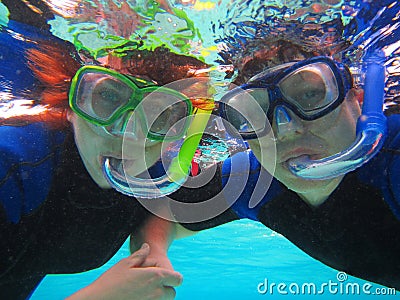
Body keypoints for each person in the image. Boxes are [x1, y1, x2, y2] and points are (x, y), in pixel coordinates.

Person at [144, 37, 400, 291]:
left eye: (310, 94)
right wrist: (153, 256)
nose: (284, 128)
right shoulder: (256, 182)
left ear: (358, 98)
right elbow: (166, 214)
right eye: (254, 112)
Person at [0, 2, 210, 298]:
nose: (128, 133)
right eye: (108, 96)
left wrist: (151, 249)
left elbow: (166, 209)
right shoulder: (12, 167)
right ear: (71, 104)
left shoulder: (164, 170)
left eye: (159, 112)